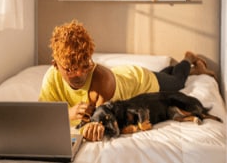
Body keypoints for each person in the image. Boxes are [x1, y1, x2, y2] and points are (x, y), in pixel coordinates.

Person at [38, 20, 216, 141]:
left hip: (139, 80)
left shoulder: (102, 82)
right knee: (166, 76)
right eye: (70, 69)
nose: (79, 75)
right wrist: (68, 114)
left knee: (177, 82)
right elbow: (40, 116)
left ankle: (188, 59)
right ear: (55, 64)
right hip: (123, 75)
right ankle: (189, 70)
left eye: (85, 66)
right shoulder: (51, 78)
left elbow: (99, 123)